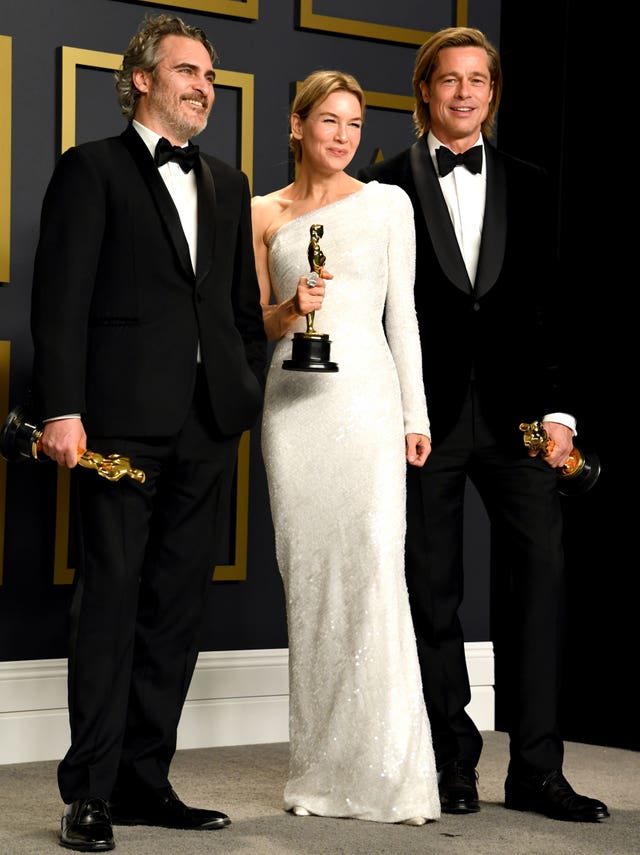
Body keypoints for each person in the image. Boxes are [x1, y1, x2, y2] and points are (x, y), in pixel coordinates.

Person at [357, 26, 609, 823]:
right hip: (423, 417)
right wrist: (394, 410)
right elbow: (376, 312)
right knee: (431, 594)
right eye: (449, 80)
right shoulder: (384, 185)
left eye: (479, 81)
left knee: (541, 589)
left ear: (492, 94)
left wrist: (562, 411)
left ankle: (537, 770)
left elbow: (554, 305)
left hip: (523, 418)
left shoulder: (532, 181)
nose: (464, 93)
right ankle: (447, 760)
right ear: (424, 91)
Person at [29, 14, 266, 852]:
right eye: (188, 70)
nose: (205, 85)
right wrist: (62, 408)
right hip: (117, 428)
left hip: (208, 426)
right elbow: (59, 303)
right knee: (112, 603)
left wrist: (240, 390)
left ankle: (144, 779)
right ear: (142, 79)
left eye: (210, 73)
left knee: (175, 608)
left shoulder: (231, 184)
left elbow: (238, 306)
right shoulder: (90, 169)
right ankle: (88, 792)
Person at [251, 69, 440, 826]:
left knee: (372, 570)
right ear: (297, 126)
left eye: (354, 124)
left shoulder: (388, 203)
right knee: (309, 582)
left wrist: (413, 416)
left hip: (367, 402)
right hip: (293, 413)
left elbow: (407, 317)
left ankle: (393, 776)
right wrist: (291, 308)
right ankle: (320, 775)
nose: (342, 135)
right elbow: (251, 323)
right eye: (328, 120)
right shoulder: (262, 213)